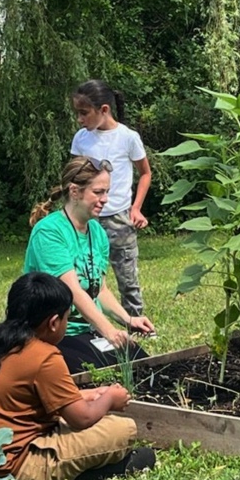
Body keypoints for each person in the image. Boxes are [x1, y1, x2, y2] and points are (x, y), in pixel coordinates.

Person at [0, 272, 155, 480]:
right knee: (122, 429)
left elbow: (25, 399)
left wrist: (89, 394)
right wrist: (111, 398)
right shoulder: (43, 355)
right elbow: (82, 418)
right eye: (66, 318)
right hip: (10, 470)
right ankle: (93, 473)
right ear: (53, 322)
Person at [24, 156, 155, 373]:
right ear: (75, 192)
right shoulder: (49, 232)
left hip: (88, 330)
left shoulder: (97, 232)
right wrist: (110, 332)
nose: (105, 199)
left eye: (107, 191)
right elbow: (73, 291)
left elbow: (99, 289)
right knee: (100, 376)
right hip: (52, 333)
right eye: (98, 192)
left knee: (144, 368)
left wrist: (128, 319)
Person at [70, 80, 151, 321]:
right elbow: (75, 176)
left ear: (104, 110)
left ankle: (136, 323)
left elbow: (145, 173)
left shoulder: (128, 137)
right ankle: (90, 323)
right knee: (86, 275)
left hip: (118, 218)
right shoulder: (81, 138)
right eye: (78, 113)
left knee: (127, 277)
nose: (80, 119)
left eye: (84, 113)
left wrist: (136, 209)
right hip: (86, 219)